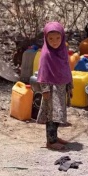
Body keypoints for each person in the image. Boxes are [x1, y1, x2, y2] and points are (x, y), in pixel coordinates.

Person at [36, 22, 73, 150]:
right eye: (50, 39)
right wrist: (44, 90)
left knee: (59, 114)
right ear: (46, 38)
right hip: (51, 90)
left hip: (61, 89)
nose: (55, 42)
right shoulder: (46, 55)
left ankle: (55, 137)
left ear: (63, 37)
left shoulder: (62, 51)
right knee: (51, 116)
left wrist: (69, 84)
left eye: (58, 38)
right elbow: (43, 73)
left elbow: (66, 69)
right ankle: (50, 141)